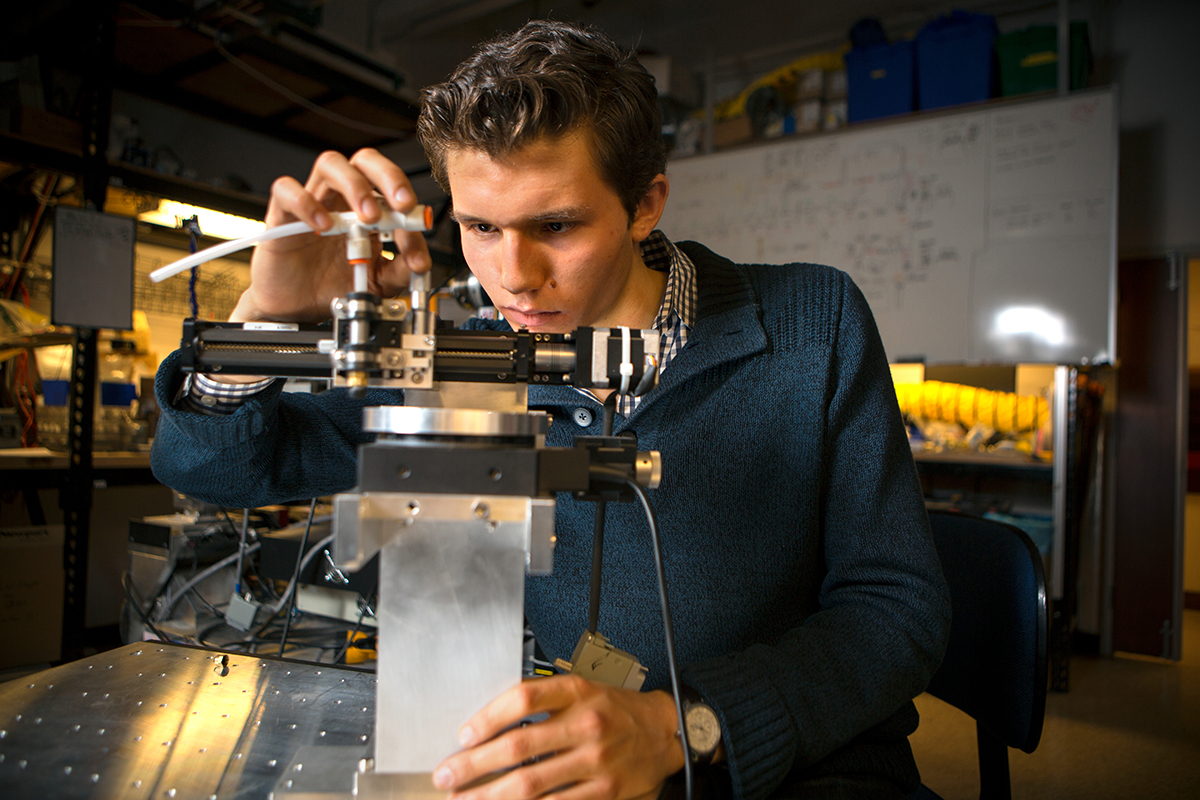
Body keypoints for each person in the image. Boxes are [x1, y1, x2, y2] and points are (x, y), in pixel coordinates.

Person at [151, 19, 950, 800]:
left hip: (790, 764)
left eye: (556, 225)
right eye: (480, 227)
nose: (514, 277)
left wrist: (678, 728)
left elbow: (897, 611)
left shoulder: (814, 324)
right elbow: (213, 469)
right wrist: (262, 317)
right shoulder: (457, 363)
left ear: (645, 204)